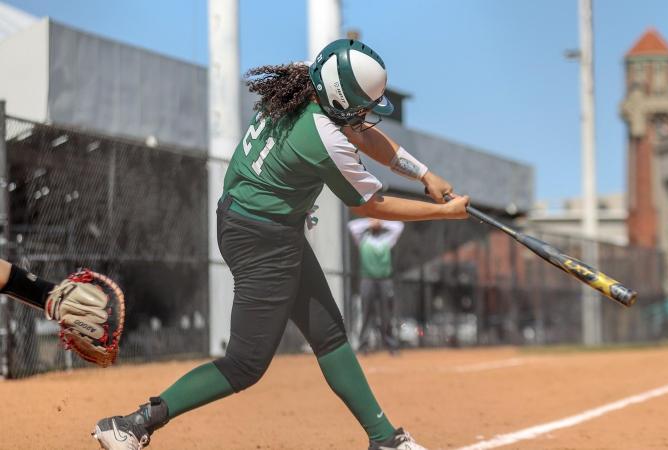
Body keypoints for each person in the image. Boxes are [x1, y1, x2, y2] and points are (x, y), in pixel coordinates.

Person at [92, 39, 468, 450]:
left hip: (261, 222)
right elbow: (370, 205)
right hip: (261, 237)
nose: (364, 117)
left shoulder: (311, 76)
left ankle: (385, 439)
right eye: (359, 107)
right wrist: (446, 213)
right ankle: (132, 424)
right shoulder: (323, 137)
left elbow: (360, 132)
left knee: (330, 335)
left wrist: (423, 174)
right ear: (340, 98)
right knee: (245, 364)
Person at [349, 218, 404, 354]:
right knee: (366, 313)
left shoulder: (387, 240)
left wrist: (381, 221)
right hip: (367, 279)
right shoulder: (363, 240)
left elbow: (399, 225)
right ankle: (363, 345)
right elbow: (352, 226)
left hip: (385, 280)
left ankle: (391, 345)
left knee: (387, 314)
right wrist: (370, 221)